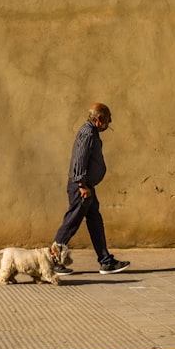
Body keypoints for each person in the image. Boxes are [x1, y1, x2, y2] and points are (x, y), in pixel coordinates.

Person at [52, 103, 130, 275]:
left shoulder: (92, 132)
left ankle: (106, 261)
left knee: (95, 222)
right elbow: (80, 160)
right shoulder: (87, 133)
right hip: (82, 187)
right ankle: (52, 260)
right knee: (71, 222)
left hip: (87, 186)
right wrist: (82, 185)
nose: (111, 121)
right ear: (99, 119)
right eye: (109, 117)